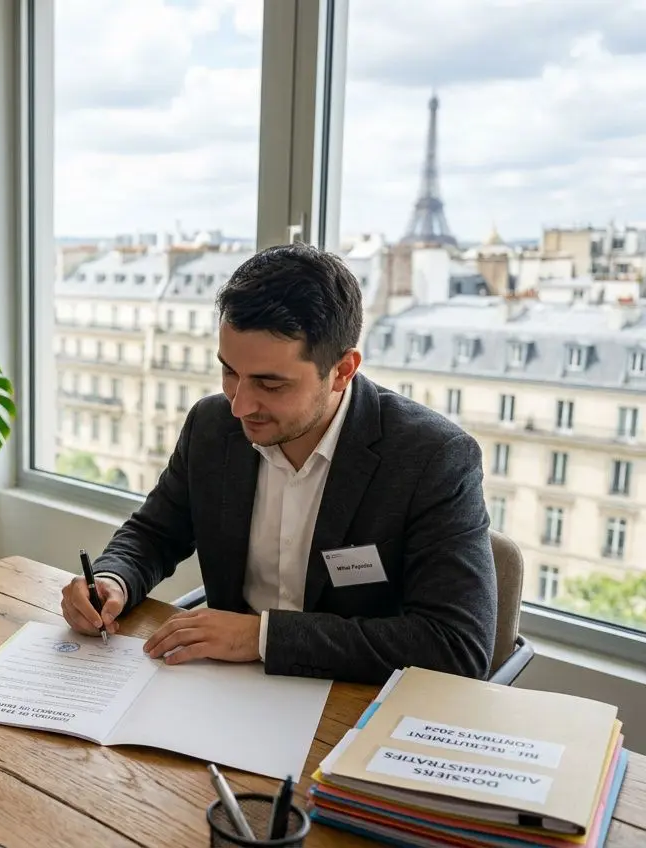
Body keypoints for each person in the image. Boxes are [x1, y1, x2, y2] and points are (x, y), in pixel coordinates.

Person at [60, 243, 497, 685]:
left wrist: (263, 636)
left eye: (270, 383)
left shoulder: (432, 457)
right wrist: (114, 578)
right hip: (223, 687)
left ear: (343, 370)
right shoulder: (212, 426)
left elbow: (456, 645)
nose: (240, 405)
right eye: (230, 371)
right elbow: (155, 533)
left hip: (353, 700)